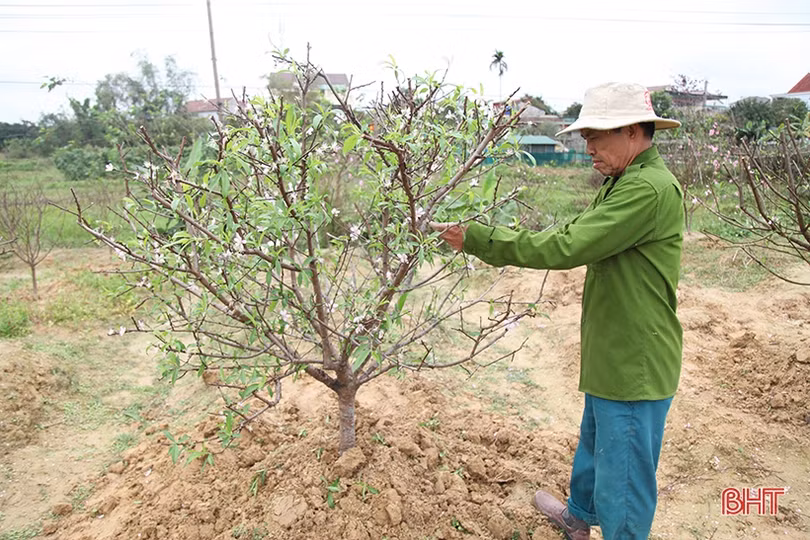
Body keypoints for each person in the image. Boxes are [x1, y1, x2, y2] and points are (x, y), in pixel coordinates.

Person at [431, 82, 684, 540]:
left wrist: (478, 238)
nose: (587, 148)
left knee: (624, 476)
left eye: (594, 137)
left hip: (635, 360)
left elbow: (567, 245)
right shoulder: (624, 181)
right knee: (597, 444)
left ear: (631, 131)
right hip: (616, 348)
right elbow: (575, 231)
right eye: (585, 138)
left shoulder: (646, 189)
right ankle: (577, 518)